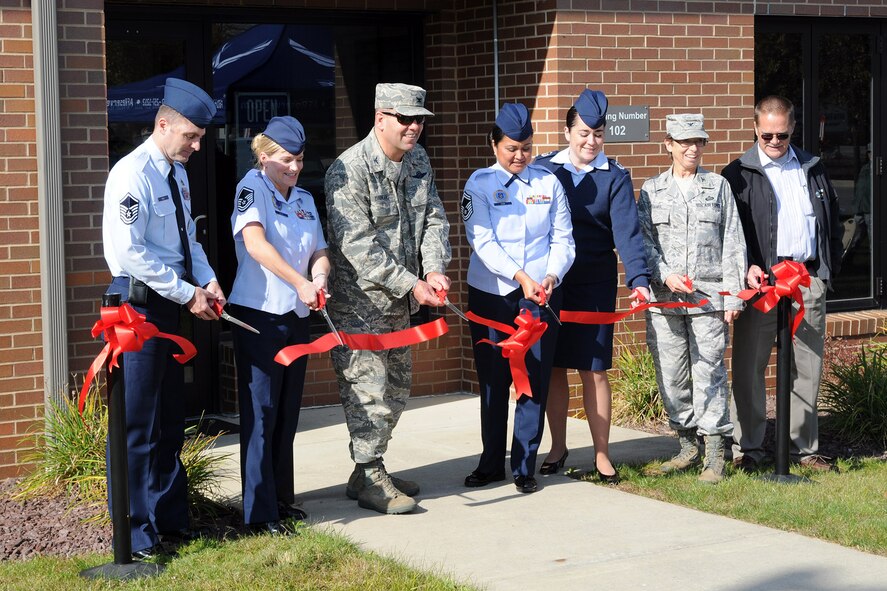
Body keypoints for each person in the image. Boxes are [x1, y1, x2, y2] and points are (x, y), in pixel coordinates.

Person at [102, 78, 225, 559]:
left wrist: (208, 280)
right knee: (138, 425)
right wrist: (185, 291)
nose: (196, 146)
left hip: (173, 304)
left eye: (199, 138)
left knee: (171, 420)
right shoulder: (131, 175)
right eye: (190, 136)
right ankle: (133, 534)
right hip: (138, 309)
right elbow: (129, 254)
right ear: (163, 124)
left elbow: (186, 240)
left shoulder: (176, 172)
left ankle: (170, 522)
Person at [324, 83, 452, 514]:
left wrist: (433, 268)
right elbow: (356, 245)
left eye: (419, 119)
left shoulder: (417, 160)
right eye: (405, 118)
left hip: (401, 305)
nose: (414, 126)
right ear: (380, 117)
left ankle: (367, 469)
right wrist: (411, 283)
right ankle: (371, 474)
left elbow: (434, 215)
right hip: (360, 306)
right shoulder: (348, 170)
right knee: (368, 393)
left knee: (397, 391)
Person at [722, 95, 843, 472]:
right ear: (756, 129)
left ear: (792, 129)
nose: (775, 143)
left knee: (807, 367)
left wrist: (826, 272)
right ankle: (749, 448)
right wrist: (744, 270)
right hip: (761, 283)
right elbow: (728, 233)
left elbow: (832, 221)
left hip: (806, 280)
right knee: (748, 367)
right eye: (767, 135)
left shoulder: (813, 167)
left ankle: (804, 450)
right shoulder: (737, 173)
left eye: (782, 136)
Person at [534, 89, 650, 484]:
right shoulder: (544, 170)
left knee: (594, 369)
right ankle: (557, 447)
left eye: (598, 133)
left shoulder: (614, 176)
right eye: (583, 132)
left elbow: (627, 233)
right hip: (552, 282)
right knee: (553, 367)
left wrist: (638, 279)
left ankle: (602, 454)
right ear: (568, 131)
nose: (591, 141)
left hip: (595, 283)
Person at [461, 102, 575, 494]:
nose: (520, 156)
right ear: (494, 145)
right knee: (493, 380)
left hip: (540, 296)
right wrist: (522, 277)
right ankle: (491, 462)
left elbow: (564, 240)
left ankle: (524, 465)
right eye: (512, 147)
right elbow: (482, 242)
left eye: (526, 147)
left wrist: (549, 276)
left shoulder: (549, 183)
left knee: (535, 380)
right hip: (493, 294)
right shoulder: (478, 184)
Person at [228, 117, 330, 534]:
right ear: (264, 156)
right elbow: (256, 245)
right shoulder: (251, 189)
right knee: (261, 412)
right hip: (259, 314)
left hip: (297, 315)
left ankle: (281, 499)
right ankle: (258, 511)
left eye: (300, 160)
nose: (294, 167)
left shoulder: (304, 196)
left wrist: (319, 278)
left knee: (286, 412)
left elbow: (320, 248)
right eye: (286, 160)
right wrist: (301, 281)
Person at [637, 114, 747, 484]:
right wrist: (664, 273)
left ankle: (716, 451)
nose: (691, 148)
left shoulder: (716, 187)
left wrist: (733, 298)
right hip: (665, 300)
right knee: (671, 374)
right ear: (668, 144)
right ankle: (687, 444)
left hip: (708, 298)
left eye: (698, 141)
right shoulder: (652, 190)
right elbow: (644, 243)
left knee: (710, 372)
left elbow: (733, 241)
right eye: (684, 141)